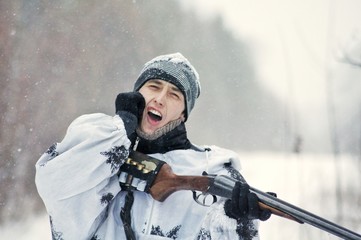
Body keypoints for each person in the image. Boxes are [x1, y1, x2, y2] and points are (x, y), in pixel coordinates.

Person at [35, 53, 273, 240]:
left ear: (183, 113)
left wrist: (235, 223)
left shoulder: (216, 172)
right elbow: (56, 184)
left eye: (174, 94)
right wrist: (120, 129)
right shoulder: (98, 155)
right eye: (154, 86)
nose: (160, 98)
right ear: (137, 93)